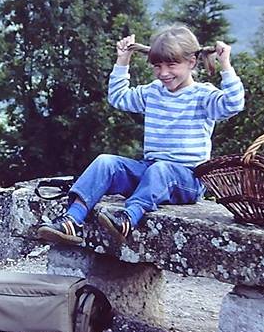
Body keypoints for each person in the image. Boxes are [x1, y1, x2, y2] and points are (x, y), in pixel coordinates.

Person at [37, 24, 245, 246]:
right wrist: (123, 59)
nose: (163, 73)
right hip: (150, 170)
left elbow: (233, 103)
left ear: (191, 62)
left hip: (188, 179)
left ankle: (128, 218)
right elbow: (118, 97)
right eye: (157, 66)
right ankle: (72, 219)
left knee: (160, 170)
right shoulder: (153, 92)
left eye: (171, 65)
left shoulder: (203, 95)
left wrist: (225, 65)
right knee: (106, 162)